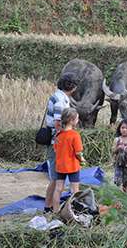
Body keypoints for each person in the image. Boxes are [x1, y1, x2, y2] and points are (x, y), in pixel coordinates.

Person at [44, 73, 79, 213]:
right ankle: (48, 207)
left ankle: (50, 206)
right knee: (55, 178)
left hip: (57, 142)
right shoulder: (60, 100)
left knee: (56, 178)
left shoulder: (60, 97)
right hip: (56, 143)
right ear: (71, 87)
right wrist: (65, 140)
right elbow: (59, 123)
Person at [52, 107, 85, 213]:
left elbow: (55, 150)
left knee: (58, 189)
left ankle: (55, 211)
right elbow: (78, 152)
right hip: (72, 166)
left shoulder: (58, 135)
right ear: (71, 120)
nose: (78, 120)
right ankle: (75, 211)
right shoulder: (75, 135)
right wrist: (82, 160)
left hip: (60, 166)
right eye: (77, 119)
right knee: (75, 190)